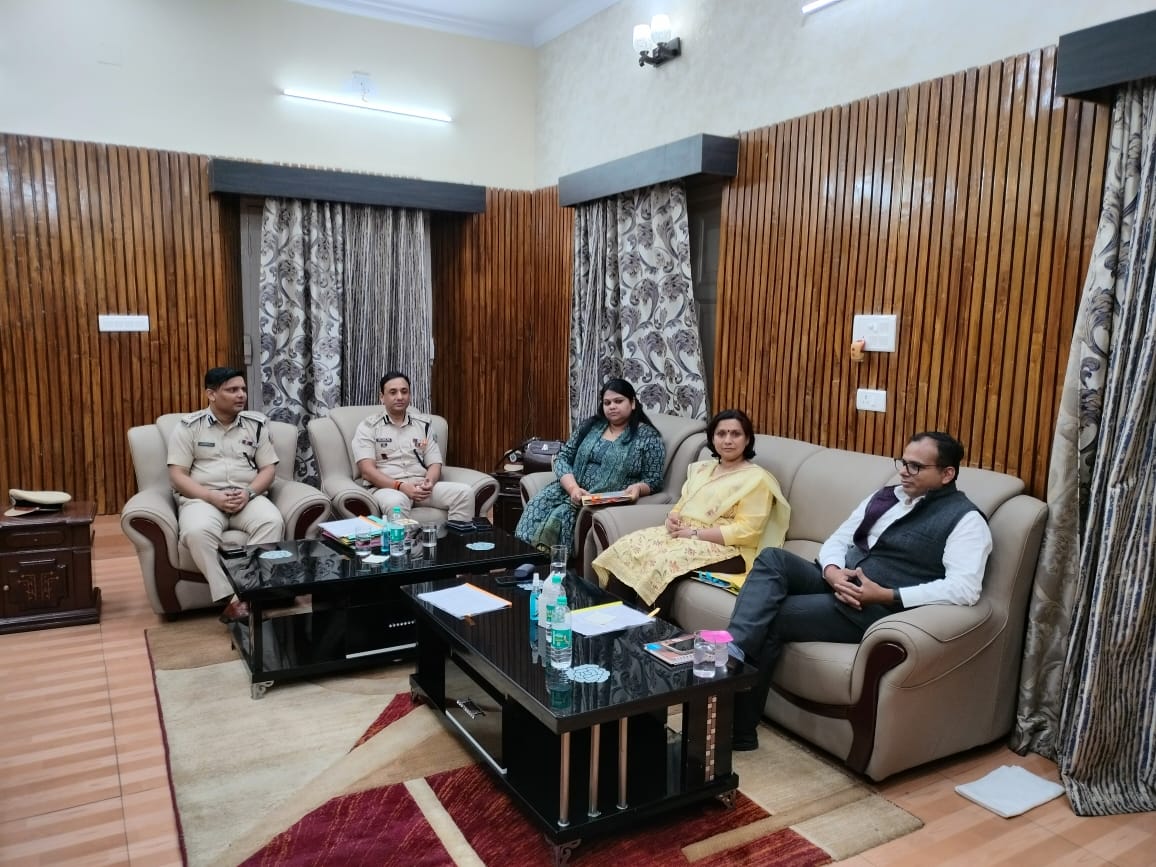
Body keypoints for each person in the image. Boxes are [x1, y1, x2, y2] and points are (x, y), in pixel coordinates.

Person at [726, 431, 993, 750]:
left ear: (947, 474)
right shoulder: (886, 497)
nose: (904, 472)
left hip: (871, 607)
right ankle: (732, 653)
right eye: (903, 462)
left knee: (772, 615)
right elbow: (839, 539)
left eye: (916, 467)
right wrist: (832, 572)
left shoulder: (966, 521)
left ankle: (740, 728)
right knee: (773, 559)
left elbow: (965, 589)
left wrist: (888, 595)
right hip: (839, 580)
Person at [592, 409, 790, 608]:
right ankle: (612, 621)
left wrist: (695, 534)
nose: (728, 440)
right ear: (712, 439)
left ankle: (647, 626)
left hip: (730, 549)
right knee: (627, 547)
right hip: (684, 534)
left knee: (664, 563)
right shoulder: (703, 469)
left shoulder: (756, 479)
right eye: (721, 434)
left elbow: (748, 531)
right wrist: (672, 517)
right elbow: (684, 503)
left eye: (736, 434)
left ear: (747, 440)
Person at [167, 367, 284, 623]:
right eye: (232, 390)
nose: (241, 395)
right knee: (196, 532)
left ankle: (248, 595)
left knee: (272, 521)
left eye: (242, 389)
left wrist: (249, 492)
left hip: (247, 496)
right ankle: (234, 599)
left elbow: (268, 469)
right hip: (203, 499)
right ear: (211, 394)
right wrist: (211, 497)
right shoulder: (189, 427)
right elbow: (177, 474)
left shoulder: (256, 426)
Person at [515, 378, 665, 554]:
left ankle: (551, 567)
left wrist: (638, 488)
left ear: (632, 403)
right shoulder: (591, 426)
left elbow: (654, 480)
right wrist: (573, 488)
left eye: (618, 401)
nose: (612, 407)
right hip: (568, 491)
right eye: (607, 403)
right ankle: (522, 565)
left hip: (601, 500)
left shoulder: (648, 437)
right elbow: (562, 458)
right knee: (534, 512)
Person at [351, 371, 473, 523]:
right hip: (388, 488)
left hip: (420, 486)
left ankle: (456, 538)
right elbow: (367, 471)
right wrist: (401, 486)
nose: (400, 397)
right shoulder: (368, 427)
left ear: (409, 395)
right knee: (397, 502)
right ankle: (403, 540)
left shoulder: (423, 425)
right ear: (382, 397)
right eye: (393, 392)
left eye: (404, 391)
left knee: (464, 493)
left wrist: (429, 481)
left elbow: (435, 463)